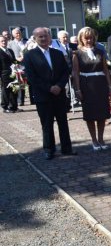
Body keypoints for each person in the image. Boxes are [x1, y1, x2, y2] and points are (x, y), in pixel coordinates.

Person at [23, 28, 76, 160]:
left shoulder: (57, 53)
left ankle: (67, 148)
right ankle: (49, 149)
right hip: (43, 95)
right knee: (47, 124)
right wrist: (49, 88)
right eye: (40, 37)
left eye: (45, 36)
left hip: (59, 94)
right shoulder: (30, 55)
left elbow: (65, 72)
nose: (43, 39)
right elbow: (31, 77)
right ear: (35, 39)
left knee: (63, 122)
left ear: (50, 37)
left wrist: (59, 85)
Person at [72, 27, 111, 151]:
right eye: (86, 38)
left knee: (102, 114)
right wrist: (77, 90)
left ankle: (101, 138)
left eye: (91, 38)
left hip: (100, 85)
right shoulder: (76, 54)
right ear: (81, 39)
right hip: (87, 86)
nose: (89, 40)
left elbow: (106, 70)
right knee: (90, 114)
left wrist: (110, 85)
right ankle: (94, 140)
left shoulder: (100, 52)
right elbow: (75, 73)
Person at [7, 28, 28, 105]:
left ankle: (21, 101)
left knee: (23, 84)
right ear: (13, 35)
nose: (18, 34)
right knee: (16, 84)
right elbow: (9, 56)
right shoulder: (10, 44)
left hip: (25, 65)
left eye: (19, 33)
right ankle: (16, 101)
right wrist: (17, 60)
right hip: (16, 66)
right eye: (16, 33)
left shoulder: (25, 42)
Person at [1, 34, 17, 113]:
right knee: (6, 90)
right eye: (2, 41)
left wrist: (18, 62)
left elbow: (14, 61)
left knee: (14, 90)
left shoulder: (10, 50)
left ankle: (14, 107)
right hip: (4, 74)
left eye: (5, 41)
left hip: (13, 73)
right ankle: (5, 107)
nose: (4, 42)